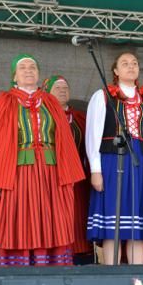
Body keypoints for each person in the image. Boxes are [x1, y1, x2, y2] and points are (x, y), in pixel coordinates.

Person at [0, 54, 84, 266]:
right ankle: (16, 270)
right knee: (18, 219)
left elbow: (64, 141)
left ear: (38, 74)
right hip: (17, 172)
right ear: (14, 76)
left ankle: (49, 268)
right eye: (22, 67)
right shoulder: (4, 101)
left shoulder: (51, 102)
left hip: (50, 172)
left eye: (32, 67)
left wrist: (68, 174)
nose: (28, 70)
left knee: (50, 220)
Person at [85, 51, 143, 264]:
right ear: (115, 71)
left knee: (136, 226)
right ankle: (112, 275)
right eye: (125, 63)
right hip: (112, 159)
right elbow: (93, 135)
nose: (131, 66)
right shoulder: (102, 96)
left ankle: (136, 278)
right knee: (113, 224)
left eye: (134, 63)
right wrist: (96, 170)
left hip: (140, 162)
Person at [42, 75, 93, 265]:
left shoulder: (79, 118)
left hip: (77, 178)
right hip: (51, 175)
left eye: (66, 87)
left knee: (76, 217)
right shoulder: (42, 116)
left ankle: (80, 257)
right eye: (57, 88)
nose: (63, 90)